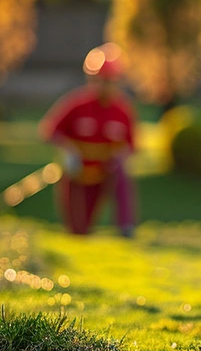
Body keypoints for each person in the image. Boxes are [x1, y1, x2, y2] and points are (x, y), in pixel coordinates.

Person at [39, 44, 138, 237]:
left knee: (121, 171)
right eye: (101, 80)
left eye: (110, 81)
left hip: (104, 174)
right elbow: (49, 131)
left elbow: (130, 146)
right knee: (79, 231)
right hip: (78, 174)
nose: (105, 86)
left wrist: (117, 156)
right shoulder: (76, 105)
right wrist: (68, 152)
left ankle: (125, 226)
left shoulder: (123, 110)